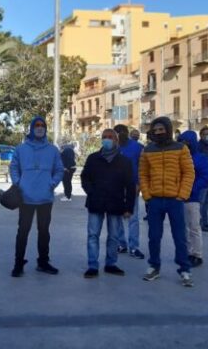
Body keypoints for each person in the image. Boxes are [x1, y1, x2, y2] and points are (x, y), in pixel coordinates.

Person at [139, 117, 195, 287]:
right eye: (155, 130)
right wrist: (147, 195)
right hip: (154, 200)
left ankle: (185, 269)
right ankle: (154, 266)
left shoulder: (181, 148)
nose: (158, 133)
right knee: (153, 237)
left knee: (180, 237)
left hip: (175, 201)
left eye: (161, 130)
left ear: (168, 130)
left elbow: (189, 173)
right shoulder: (147, 150)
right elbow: (143, 175)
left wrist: (182, 195)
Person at [9, 117, 64, 277]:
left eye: (43, 126)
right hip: (25, 198)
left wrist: (52, 183)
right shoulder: (21, 148)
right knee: (23, 231)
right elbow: (14, 168)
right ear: (31, 128)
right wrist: (19, 183)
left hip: (45, 198)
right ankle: (18, 263)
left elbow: (59, 170)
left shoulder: (53, 150)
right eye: (37, 125)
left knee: (44, 232)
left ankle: (43, 262)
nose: (40, 128)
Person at [80, 129, 136, 278]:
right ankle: (92, 266)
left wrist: (129, 207)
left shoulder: (124, 162)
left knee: (114, 236)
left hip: (115, 204)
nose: (107, 139)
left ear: (116, 141)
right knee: (93, 235)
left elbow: (130, 186)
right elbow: (85, 177)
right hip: (95, 202)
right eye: (104, 137)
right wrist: (91, 192)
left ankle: (111, 264)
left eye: (110, 137)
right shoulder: (93, 158)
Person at [177, 131, 208, 268]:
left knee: (194, 227)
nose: (183, 144)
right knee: (182, 228)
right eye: (181, 141)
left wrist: (191, 189)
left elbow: (205, 178)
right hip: (178, 197)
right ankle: (187, 252)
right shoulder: (178, 157)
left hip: (192, 197)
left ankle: (197, 254)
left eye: (185, 142)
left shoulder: (200, 158)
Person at [113, 124, 145, 259]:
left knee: (133, 218)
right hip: (116, 188)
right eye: (117, 132)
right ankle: (122, 244)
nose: (120, 134)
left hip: (132, 187)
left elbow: (142, 168)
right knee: (117, 218)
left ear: (127, 133)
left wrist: (139, 184)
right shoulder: (112, 148)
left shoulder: (138, 148)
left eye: (122, 131)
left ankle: (134, 247)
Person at [198, 126, 208, 231]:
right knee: (201, 202)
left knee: (207, 201)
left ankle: (205, 222)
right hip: (202, 178)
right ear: (201, 135)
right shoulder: (198, 147)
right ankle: (200, 223)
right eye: (207, 134)